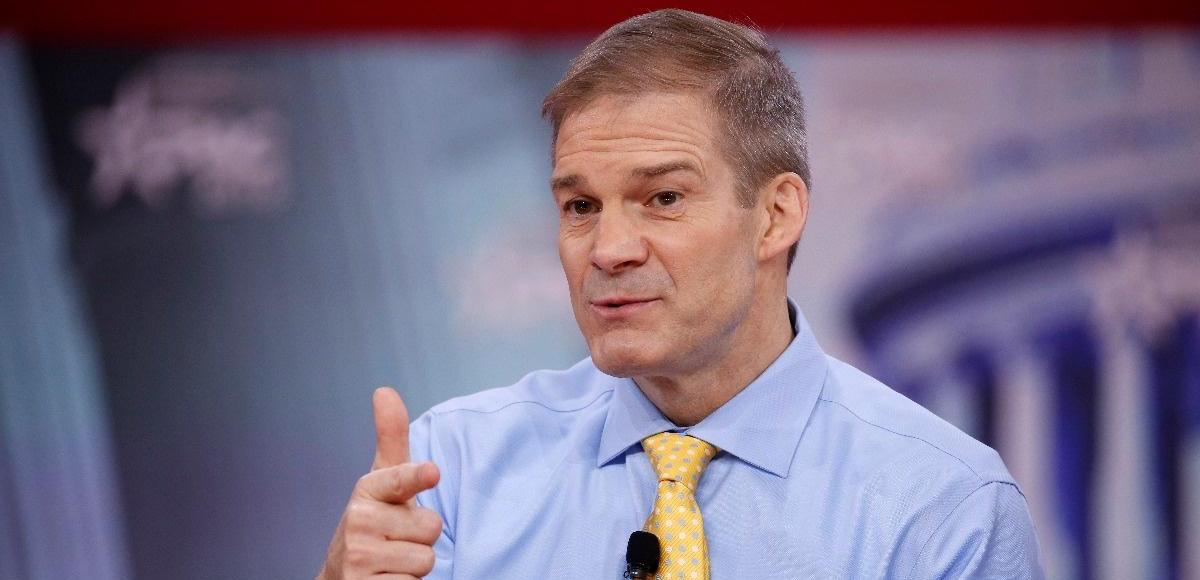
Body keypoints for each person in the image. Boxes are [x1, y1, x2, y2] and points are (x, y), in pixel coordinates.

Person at [318, 9, 1043, 579]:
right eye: (580, 207)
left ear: (776, 214)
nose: (608, 250)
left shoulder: (944, 507)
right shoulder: (455, 471)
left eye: (662, 198)